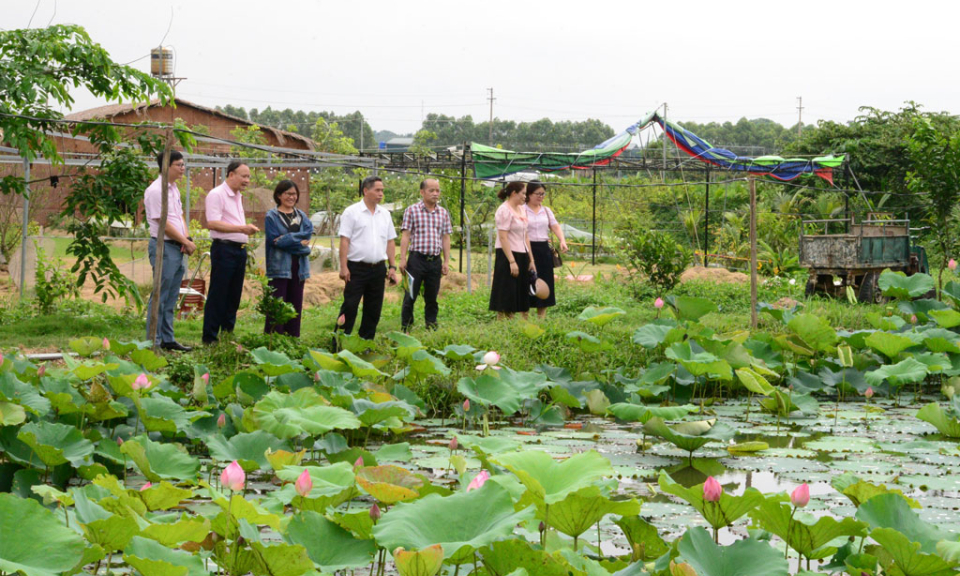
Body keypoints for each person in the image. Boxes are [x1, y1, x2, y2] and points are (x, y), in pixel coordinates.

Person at [144, 150, 196, 351]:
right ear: (166, 166)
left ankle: (167, 339)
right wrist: (185, 240)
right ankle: (153, 341)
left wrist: (186, 238)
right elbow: (163, 223)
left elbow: (179, 216)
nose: (182, 169)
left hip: (178, 247)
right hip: (164, 247)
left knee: (171, 296)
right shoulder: (157, 190)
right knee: (160, 295)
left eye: (183, 165)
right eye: (179, 165)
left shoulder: (173, 189)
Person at [202, 161, 259, 344]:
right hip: (224, 249)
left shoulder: (238, 196)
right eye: (243, 176)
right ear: (231, 175)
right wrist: (242, 229)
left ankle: (227, 335)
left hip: (239, 251)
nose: (247, 180)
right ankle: (210, 338)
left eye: (248, 177)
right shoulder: (217, 194)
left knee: (234, 295)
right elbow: (212, 223)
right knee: (219, 293)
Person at [335, 176, 399, 341]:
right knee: (350, 305)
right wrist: (343, 267)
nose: (381, 194)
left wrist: (392, 267)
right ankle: (340, 341)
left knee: (374, 308)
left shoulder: (385, 214)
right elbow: (345, 241)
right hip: (356, 267)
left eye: (382, 190)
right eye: (377, 190)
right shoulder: (352, 212)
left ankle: (365, 342)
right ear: (365, 190)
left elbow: (390, 241)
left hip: (378, 268)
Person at [399, 178, 453, 331]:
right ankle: (406, 327)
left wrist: (446, 261)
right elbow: (406, 236)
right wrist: (403, 259)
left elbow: (446, 237)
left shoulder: (442, 213)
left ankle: (431, 325)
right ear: (422, 192)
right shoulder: (412, 210)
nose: (435, 193)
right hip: (416, 260)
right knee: (410, 295)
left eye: (437, 190)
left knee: (432, 297)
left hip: (434, 261)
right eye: (431, 190)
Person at [264, 180, 313, 337]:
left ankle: (292, 338)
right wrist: (299, 243)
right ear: (279, 195)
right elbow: (274, 240)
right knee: (277, 304)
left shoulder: (301, 216)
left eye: (294, 194)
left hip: (298, 267)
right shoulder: (272, 216)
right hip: (279, 267)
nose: (291, 197)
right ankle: (274, 338)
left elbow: (307, 234)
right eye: (287, 193)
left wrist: (285, 239)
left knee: (295, 304)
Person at [489, 181, 535, 319]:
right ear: (514, 193)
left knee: (520, 292)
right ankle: (503, 327)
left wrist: (531, 259)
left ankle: (518, 327)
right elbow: (503, 237)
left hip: (522, 253)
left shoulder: (522, 209)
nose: (525, 197)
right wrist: (511, 261)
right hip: (508, 255)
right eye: (523, 193)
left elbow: (526, 236)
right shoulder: (504, 210)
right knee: (506, 292)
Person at [524, 181, 568, 317]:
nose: (540, 197)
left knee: (545, 281)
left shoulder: (546, 211)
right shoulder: (522, 209)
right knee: (527, 282)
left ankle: (541, 317)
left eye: (543, 194)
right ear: (529, 194)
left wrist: (562, 240)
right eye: (538, 194)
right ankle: (524, 318)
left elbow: (555, 226)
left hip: (543, 250)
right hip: (526, 249)